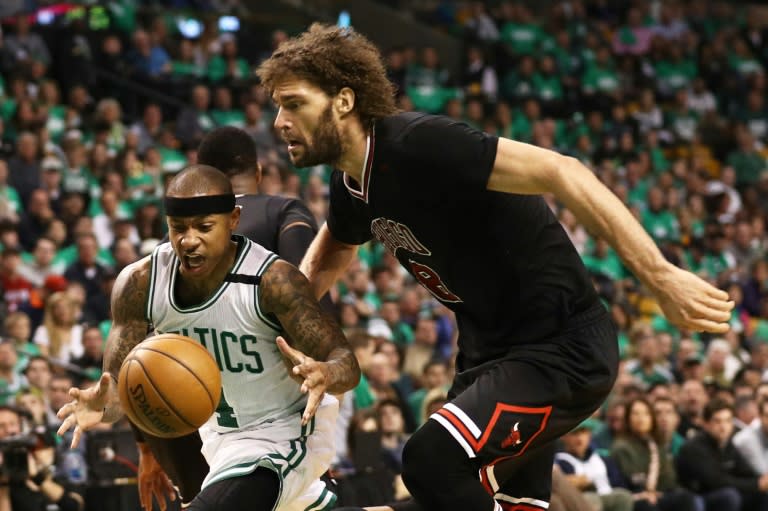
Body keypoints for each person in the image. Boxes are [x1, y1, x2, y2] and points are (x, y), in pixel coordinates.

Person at [256, 24, 733, 511]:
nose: (279, 121)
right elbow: (329, 254)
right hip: (490, 357)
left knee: (429, 462)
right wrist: (271, 326)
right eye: (277, 106)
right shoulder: (350, 184)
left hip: (557, 348)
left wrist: (660, 274)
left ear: (343, 100)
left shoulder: (420, 144)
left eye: (293, 103)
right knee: (467, 496)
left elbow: (562, 170)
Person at [56, 165, 361, 511]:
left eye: (204, 228)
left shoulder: (272, 281)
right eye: (178, 229)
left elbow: (346, 362)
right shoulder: (140, 283)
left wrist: (326, 373)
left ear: (233, 219)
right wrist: (102, 405)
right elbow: (115, 393)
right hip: (221, 442)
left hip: (288, 432)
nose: (188, 240)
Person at [132, 126, 325, 510]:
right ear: (256, 171)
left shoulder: (172, 252)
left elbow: (138, 357)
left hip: (181, 404)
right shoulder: (283, 211)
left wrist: (146, 449)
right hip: (272, 407)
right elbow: (312, 292)